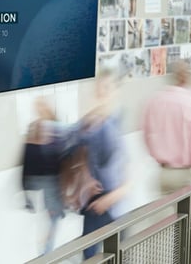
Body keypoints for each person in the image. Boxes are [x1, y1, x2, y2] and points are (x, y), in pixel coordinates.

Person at [142, 62, 191, 196]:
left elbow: (147, 136)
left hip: (164, 173)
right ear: (185, 78)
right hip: (186, 175)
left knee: (165, 216)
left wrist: (157, 156)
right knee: (188, 215)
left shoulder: (153, 102)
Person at [77, 68, 130, 259]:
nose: (102, 92)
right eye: (99, 87)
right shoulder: (89, 122)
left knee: (116, 255)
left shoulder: (118, 124)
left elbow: (129, 176)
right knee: (89, 254)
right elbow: (82, 156)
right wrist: (87, 178)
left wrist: (111, 198)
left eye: (107, 87)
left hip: (114, 207)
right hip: (94, 201)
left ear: (116, 90)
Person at [21, 97, 65, 255]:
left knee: (51, 219)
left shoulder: (57, 128)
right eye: (37, 107)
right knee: (44, 222)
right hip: (37, 182)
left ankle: (46, 253)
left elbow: (63, 158)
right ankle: (44, 253)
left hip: (52, 182)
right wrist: (24, 188)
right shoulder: (33, 127)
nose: (39, 110)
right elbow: (26, 158)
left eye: (41, 106)